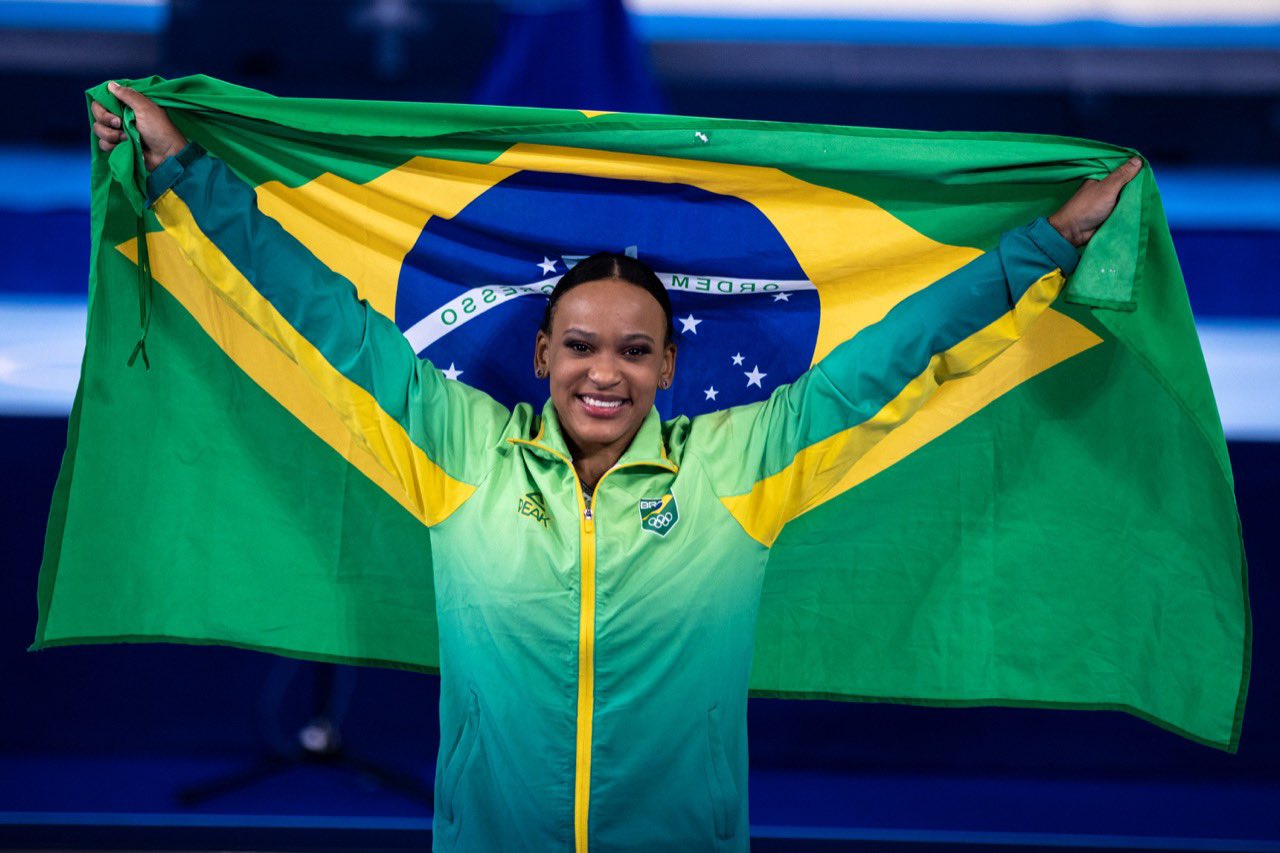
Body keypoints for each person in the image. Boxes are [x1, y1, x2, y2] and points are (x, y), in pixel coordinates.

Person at [92, 82, 1141, 852]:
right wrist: (183, 165)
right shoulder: (455, 448)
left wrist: (1046, 239)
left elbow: (897, 357)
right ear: (541, 354)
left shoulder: (743, 465)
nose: (606, 371)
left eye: (634, 349)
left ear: (669, 365)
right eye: (581, 345)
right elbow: (318, 317)